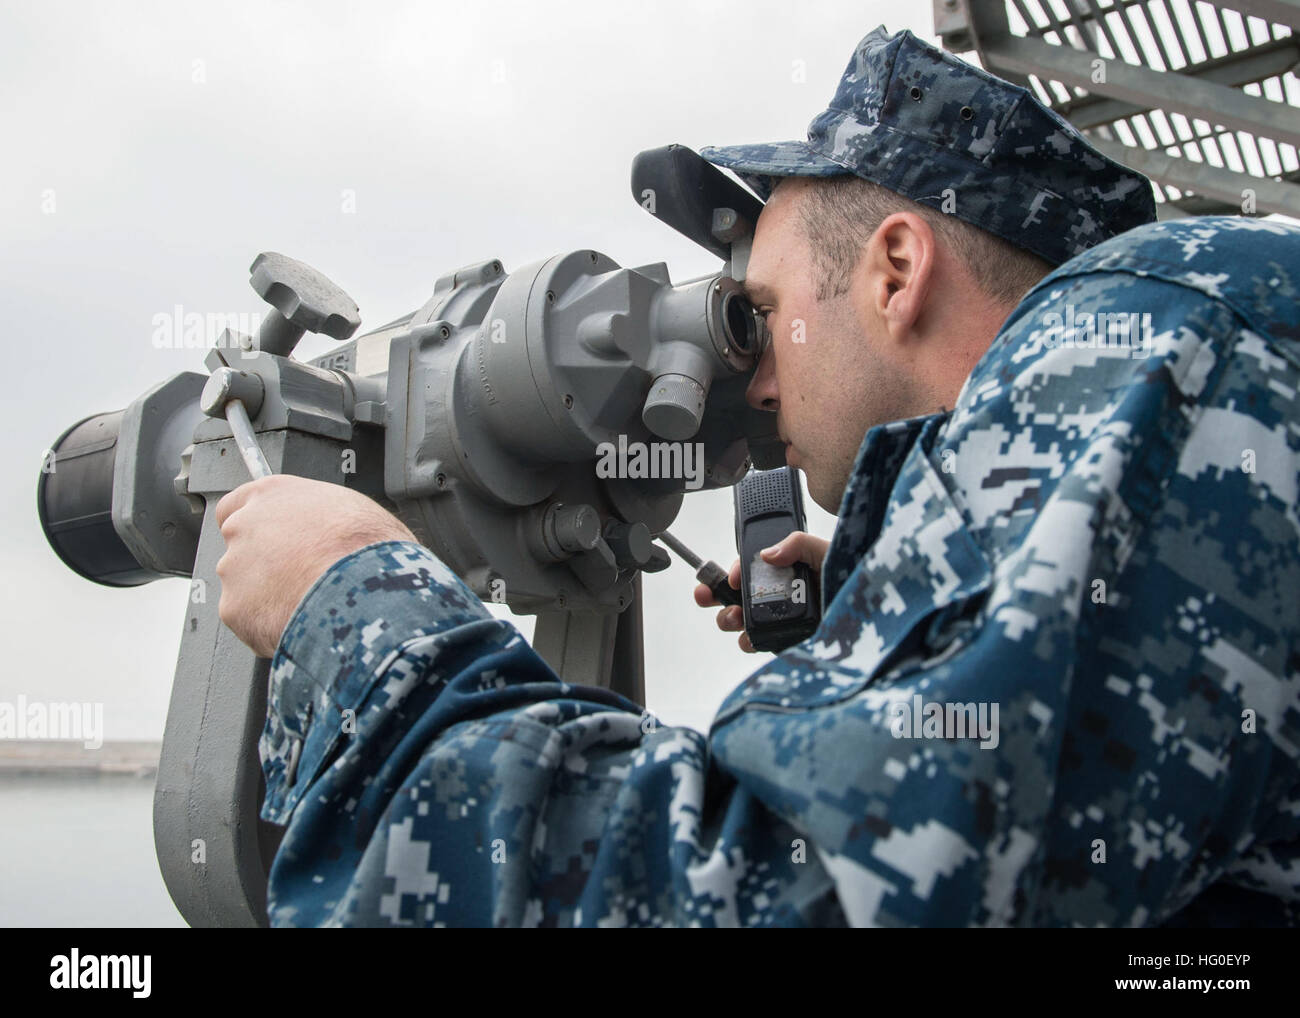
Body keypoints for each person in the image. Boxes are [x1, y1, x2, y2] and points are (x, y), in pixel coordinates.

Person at [214, 26, 1300, 926]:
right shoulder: (1188, 360)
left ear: (894, 270)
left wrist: (355, 607)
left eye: (766, 313)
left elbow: (779, 891)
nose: (758, 378)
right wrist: (903, 599)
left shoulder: (1149, 334)